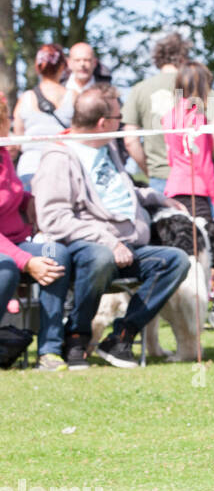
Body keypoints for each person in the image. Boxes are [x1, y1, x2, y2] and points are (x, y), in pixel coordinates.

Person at [32, 84, 189, 368]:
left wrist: (160, 198)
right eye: (118, 119)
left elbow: (122, 192)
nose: (122, 125)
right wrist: (107, 240)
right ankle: (77, 337)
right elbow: (53, 217)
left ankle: (121, 337)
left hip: (129, 247)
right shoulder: (59, 157)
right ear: (102, 123)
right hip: (87, 249)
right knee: (100, 257)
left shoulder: (107, 148)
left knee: (175, 261)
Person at [0, 93, 71, 370]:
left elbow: (10, 194)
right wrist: (27, 262)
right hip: (8, 252)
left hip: (16, 240)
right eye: (4, 118)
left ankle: (50, 349)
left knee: (58, 253)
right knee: (6, 268)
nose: (8, 124)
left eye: (5, 118)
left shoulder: (4, 153)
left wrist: (29, 201)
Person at [160, 61, 214, 224]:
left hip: (173, 190)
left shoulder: (169, 115)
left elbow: (171, 157)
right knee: (200, 247)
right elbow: (204, 163)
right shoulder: (197, 116)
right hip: (194, 193)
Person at [123, 32, 192, 191]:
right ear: (183, 57)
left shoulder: (139, 89)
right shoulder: (197, 86)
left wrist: (149, 170)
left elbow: (130, 140)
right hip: (194, 178)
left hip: (158, 178)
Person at [12, 44, 73, 186]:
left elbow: (19, 140)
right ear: (63, 66)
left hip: (30, 169)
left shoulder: (25, 98)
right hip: (64, 167)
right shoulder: (74, 97)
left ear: (38, 67)